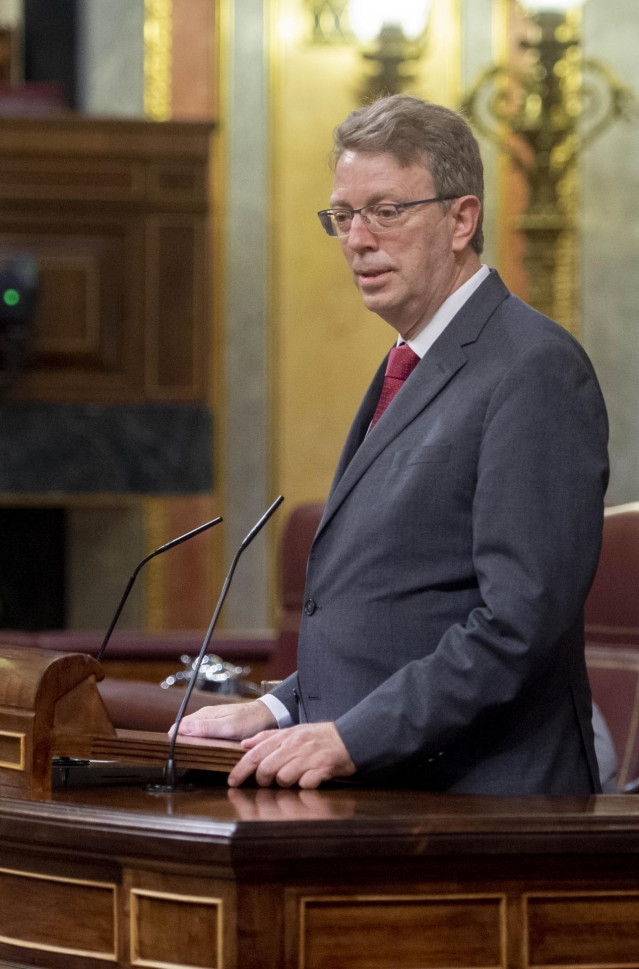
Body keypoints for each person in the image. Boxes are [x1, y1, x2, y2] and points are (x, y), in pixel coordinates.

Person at [175, 95, 609, 794]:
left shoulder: (533, 368)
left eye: (385, 211)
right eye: (343, 216)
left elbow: (517, 623)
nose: (356, 238)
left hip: (486, 811)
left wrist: (351, 736)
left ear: (460, 218)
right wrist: (278, 705)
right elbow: (397, 609)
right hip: (392, 795)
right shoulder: (406, 361)